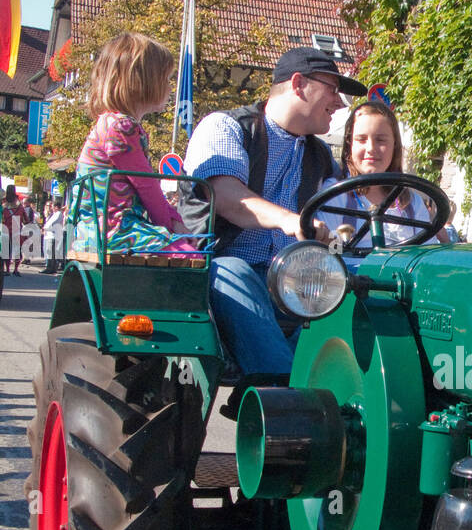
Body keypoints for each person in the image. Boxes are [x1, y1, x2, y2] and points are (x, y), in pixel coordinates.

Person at [182, 48, 366, 376]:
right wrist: (289, 220)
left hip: (291, 281)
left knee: (349, 295)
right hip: (213, 273)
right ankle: (285, 388)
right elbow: (226, 198)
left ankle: (318, 387)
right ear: (298, 84)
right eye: (332, 90)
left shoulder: (320, 154)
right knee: (231, 272)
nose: (340, 103)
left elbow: (347, 212)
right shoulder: (225, 127)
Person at [71, 34, 195, 259]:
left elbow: (148, 185)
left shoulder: (117, 124)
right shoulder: (121, 128)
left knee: (187, 247)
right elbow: (146, 185)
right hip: (113, 230)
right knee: (188, 255)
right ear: (142, 82)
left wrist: (175, 220)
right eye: (165, 80)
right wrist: (172, 226)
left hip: (101, 229)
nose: (170, 88)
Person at [319, 98, 449, 256]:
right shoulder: (336, 195)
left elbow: (426, 255)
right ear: (349, 145)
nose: (371, 149)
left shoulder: (411, 202)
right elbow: (330, 255)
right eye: (361, 139)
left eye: (380, 140)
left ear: (394, 146)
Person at [2, 186, 29, 274]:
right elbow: (26, 220)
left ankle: (7, 270)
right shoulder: (20, 207)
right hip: (17, 232)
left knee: (6, 251)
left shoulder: (3, 206)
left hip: (5, 232)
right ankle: (16, 269)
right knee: (17, 251)